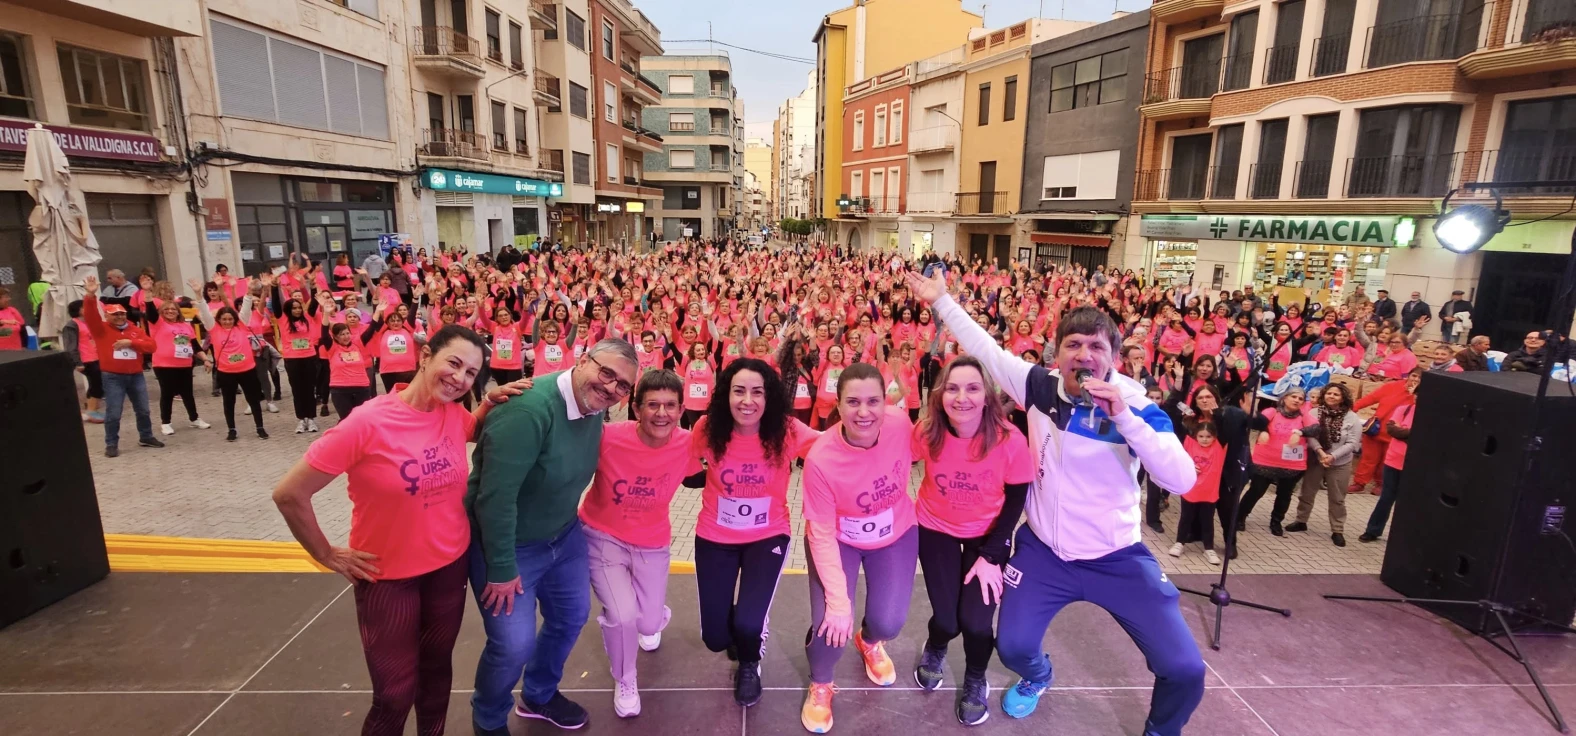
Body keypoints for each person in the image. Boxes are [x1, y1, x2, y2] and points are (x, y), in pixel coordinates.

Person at [906, 271, 1203, 732]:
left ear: (1114, 357)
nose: (1084, 355)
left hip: (1117, 557)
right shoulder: (1040, 388)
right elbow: (985, 349)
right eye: (1074, 345)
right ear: (1057, 353)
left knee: (1185, 669)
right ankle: (1038, 676)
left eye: (1097, 347)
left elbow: (1182, 479)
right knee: (1013, 647)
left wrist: (1124, 419)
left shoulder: (1137, 406)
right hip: (1044, 553)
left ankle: (1161, 730)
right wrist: (941, 301)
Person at [273, 325, 531, 736]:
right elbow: (289, 494)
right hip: (387, 577)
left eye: (471, 373)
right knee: (394, 692)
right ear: (425, 355)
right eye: (454, 363)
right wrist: (325, 553)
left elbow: (469, 430)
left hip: (449, 567)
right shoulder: (367, 422)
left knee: (435, 677)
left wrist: (489, 403)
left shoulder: (450, 413)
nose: (460, 378)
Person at [465, 338, 639, 734]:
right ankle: (488, 719)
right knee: (512, 646)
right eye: (605, 372)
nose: (611, 387)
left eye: (622, 385)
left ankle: (539, 695)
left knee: (570, 616)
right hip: (510, 547)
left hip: (563, 536)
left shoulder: (592, 407)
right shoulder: (529, 410)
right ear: (582, 360)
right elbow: (495, 498)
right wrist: (502, 567)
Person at [685, 358, 819, 707]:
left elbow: (832, 449)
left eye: (757, 392)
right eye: (739, 391)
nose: (748, 401)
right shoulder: (707, 428)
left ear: (769, 397)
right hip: (715, 536)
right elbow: (681, 458)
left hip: (768, 536)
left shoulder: (787, 430)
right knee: (715, 638)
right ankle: (742, 620)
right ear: (725, 395)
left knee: (747, 626)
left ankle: (750, 662)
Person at [910, 356, 1032, 725]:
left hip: (988, 538)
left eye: (973, 388)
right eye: (952, 387)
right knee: (948, 622)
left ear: (987, 396)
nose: (962, 397)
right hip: (936, 530)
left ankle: (976, 679)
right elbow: (887, 458)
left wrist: (992, 555)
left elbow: (1016, 499)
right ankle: (936, 646)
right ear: (940, 394)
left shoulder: (1010, 439)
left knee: (977, 624)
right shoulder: (927, 431)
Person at [800, 362, 919, 733]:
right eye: (853, 402)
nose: (863, 412)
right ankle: (821, 682)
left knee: (890, 622)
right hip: (838, 541)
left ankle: (868, 642)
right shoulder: (820, 458)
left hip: (895, 533)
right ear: (838, 405)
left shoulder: (901, 425)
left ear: (888, 403)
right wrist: (838, 603)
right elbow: (818, 533)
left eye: (873, 401)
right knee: (831, 628)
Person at [576, 369, 700, 718]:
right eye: (652, 405)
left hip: (652, 542)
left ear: (681, 409)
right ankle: (625, 677)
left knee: (647, 624)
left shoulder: (689, 443)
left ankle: (652, 615)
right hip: (603, 537)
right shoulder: (607, 437)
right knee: (622, 616)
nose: (661, 413)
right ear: (635, 407)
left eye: (670, 406)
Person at [81, 275, 163, 457]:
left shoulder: (134, 330)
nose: (119, 317)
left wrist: (131, 343)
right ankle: (111, 443)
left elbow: (152, 346)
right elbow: (90, 315)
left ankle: (146, 436)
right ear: (108, 316)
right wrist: (90, 295)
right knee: (114, 411)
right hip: (113, 376)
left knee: (143, 409)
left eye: (122, 314)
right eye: (115, 314)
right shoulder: (101, 329)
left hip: (135, 375)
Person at [1284, 382, 1363, 546]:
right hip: (1316, 458)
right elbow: (1310, 435)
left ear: (1343, 398)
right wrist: (1320, 452)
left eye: (1336, 394)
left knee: (1337, 498)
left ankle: (1337, 530)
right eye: (1329, 393)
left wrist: (1332, 456)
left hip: (1340, 462)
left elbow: (1353, 443)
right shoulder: (1313, 413)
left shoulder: (1352, 418)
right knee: (1307, 492)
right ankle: (1301, 520)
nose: (1331, 396)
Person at [194, 285, 270, 442]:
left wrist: (248, 293)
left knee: (253, 400)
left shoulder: (241, 325)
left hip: (247, 370)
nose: (227, 321)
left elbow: (246, 309)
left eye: (230, 319)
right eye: (224, 319)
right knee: (229, 402)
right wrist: (198, 294)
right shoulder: (213, 328)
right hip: (226, 372)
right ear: (219, 320)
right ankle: (232, 429)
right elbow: (205, 313)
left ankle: (260, 427)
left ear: (234, 319)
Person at [1237, 389, 1317, 536]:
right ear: (1284, 398)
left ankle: (1276, 521)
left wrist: (1300, 432)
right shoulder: (1272, 411)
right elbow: (1258, 422)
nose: (1297, 400)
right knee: (1256, 491)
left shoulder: (1304, 416)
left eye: (1300, 398)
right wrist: (1264, 429)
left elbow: (1316, 428)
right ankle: (1240, 517)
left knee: (1284, 495)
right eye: (1293, 396)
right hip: (1266, 460)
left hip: (1292, 464)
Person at [1360, 371, 1420, 542]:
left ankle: (1402, 535)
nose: (1417, 398)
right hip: (1393, 461)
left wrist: (1405, 431)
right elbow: (1392, 429)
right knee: (1386, 498)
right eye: (1416, 395)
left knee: (1408, 501)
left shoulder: (1431, 416)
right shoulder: (1404, 409)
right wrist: (1408, 432)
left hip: (1414, 463)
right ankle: (1373, 530)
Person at [149, 284, 212, 436]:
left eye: (173, 309)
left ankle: (194, 418)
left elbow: (195, 345)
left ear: (178, 312)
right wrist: (147, 294)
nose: (170, 312)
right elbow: (150, 312)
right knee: (167, 393)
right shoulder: (157, 324)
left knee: (187, 392)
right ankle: (166, 422)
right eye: (166, 310)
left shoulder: (186, 325)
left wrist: (205, 359)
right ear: (161, 313)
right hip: (164, 365)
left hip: (184, 364)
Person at [1169, 422, 1224, 565]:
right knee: (1186, 518)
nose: (1204, 439)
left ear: (1215, 437)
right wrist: (1189, 465)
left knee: (1207, 521)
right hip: (1190, 490)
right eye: (1201, 436)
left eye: (1208, 436)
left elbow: (1225, 425)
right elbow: (1179, 457)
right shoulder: (1188, 443)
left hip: (1209, 492)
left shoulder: (1219, 447)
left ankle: (1209, 549)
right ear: (1195, 436)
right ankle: (1179, 543)